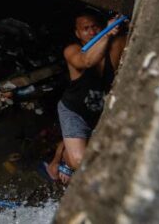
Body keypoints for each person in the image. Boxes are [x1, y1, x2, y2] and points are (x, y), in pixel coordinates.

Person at [44, 11, 127, 184]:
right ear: (77, 34)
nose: (91, 32)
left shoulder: (116, 45)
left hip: (99, 110)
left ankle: (67, 151)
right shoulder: (72, 50)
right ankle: (64, 159)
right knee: (80, 162)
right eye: (85, 29)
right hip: (74, 110)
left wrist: (119, 26)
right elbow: (87, 61)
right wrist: (106, 33)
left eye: (94, 27)